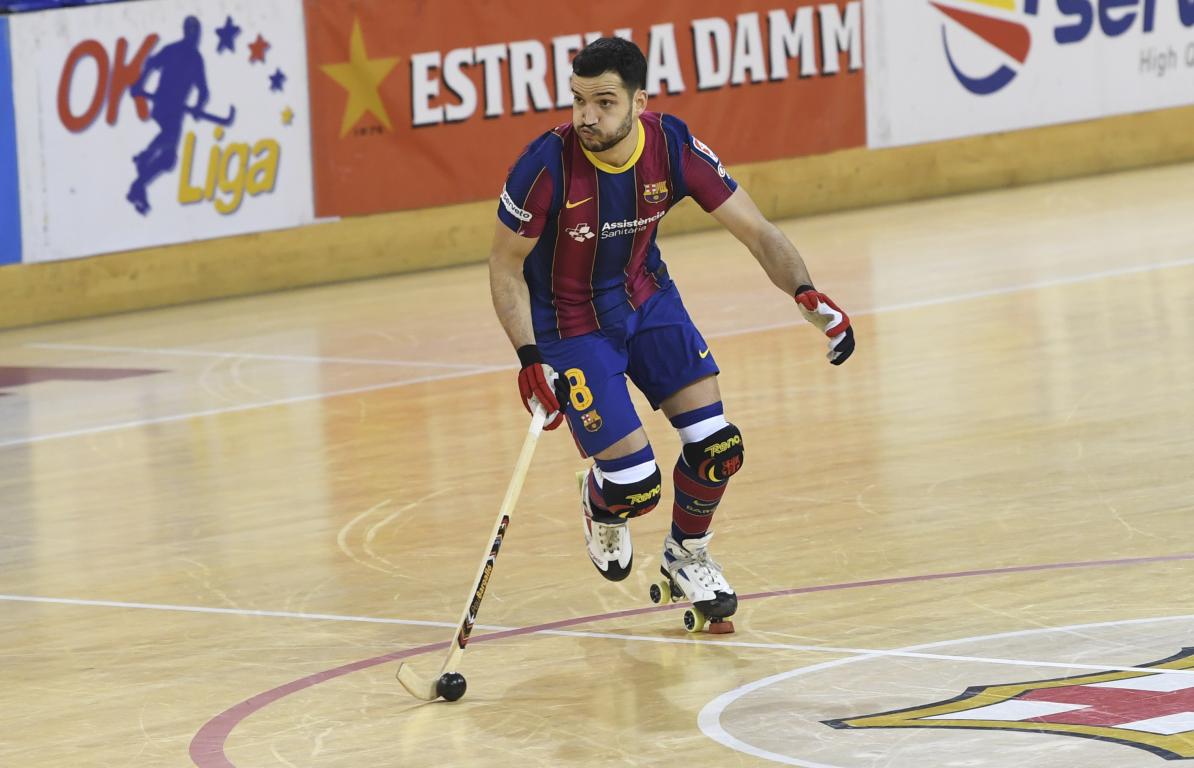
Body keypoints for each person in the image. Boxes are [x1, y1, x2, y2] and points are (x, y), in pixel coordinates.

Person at [488, 37, 854, 628]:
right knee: (635, 488)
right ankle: (601, 502)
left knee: (718, 447)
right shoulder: (545, 164)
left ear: (639, 101)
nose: (586, 116)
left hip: (647, 300)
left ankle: (689, 553)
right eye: (578, 100)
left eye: (604, 102)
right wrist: (529, 356)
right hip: (569, 324)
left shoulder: (671, 144)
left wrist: (805, 292)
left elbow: (757, 230)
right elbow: (504, 266)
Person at [127, 15, 210, 215]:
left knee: (168, 160)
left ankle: (138, 185)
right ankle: (145, 156)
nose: (194, 36)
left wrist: (198, 106)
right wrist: (139, 84)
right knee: (169, 136)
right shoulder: (172, 50)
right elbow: (151, 63)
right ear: (186, 32)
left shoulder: (197, 59)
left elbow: (203, 89)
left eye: (196, 32)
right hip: (164, 104)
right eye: (191, 31)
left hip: (177, 109)